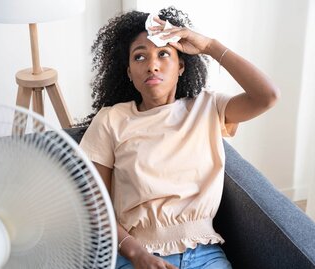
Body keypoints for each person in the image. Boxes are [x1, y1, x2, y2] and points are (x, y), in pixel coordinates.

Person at [79, 6, 280, 269]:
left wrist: (209, 45)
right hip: (137, 257)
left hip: (205, 254)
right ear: (128, 72)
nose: (152, 65)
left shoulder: (208, 108)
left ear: (181, 66)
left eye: (163, 54)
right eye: (140, 57)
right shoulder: (111, 120)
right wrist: (137, 254)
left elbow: (267, 96)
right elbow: (94, 205)